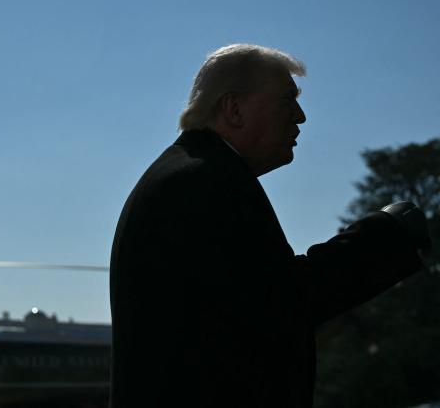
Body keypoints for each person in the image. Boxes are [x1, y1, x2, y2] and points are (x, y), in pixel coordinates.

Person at [109, 44, 430, 408]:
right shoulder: (206, 181)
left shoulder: (190, 173)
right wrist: (386, 234)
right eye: (286, 100)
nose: (301, 116)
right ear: (234, 109)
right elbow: (281, 301)